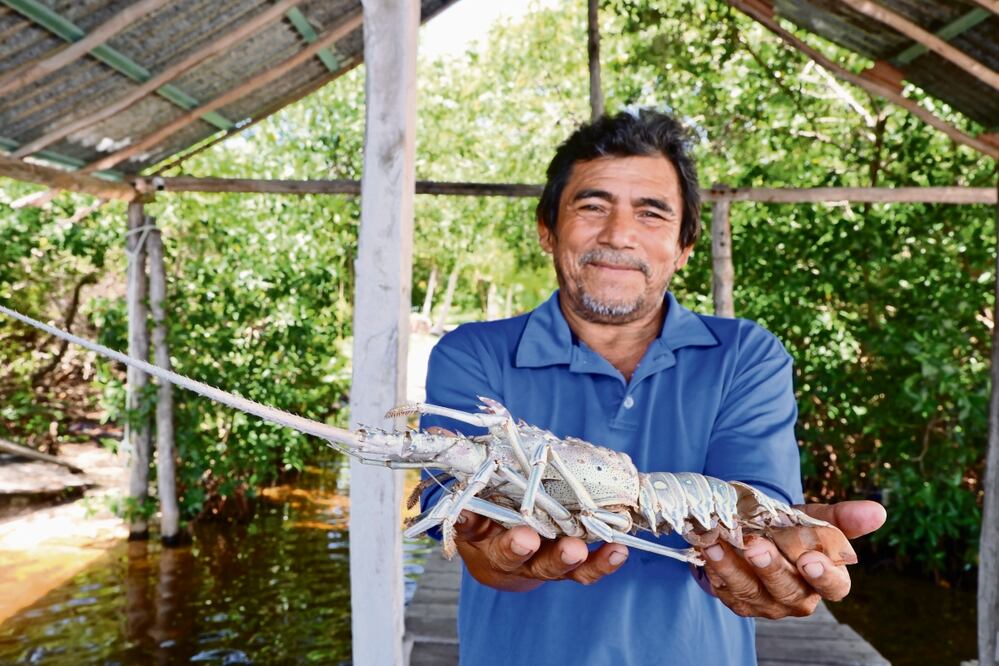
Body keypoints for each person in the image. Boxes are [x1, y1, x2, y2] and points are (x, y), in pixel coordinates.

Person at [419, 109, 886, 665]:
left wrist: (763, 567)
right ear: (547, 229)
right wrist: (502, 557)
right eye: (592, 206)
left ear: (684, 247)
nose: (618, 235)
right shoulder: (472, 353)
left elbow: (755, 518)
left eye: (652, 214)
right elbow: (476, 540)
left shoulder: (745, 355)